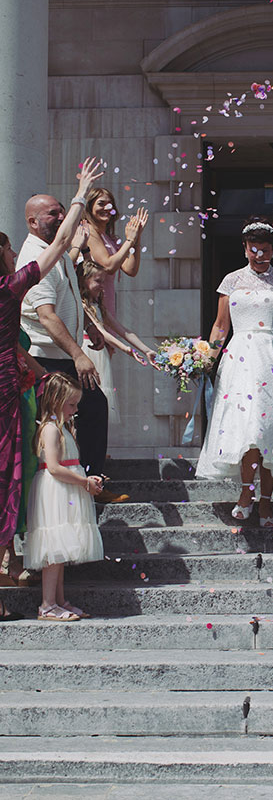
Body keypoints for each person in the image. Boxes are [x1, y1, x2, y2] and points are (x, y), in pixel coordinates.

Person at [0, 157, 101, 621]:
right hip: (9, 389)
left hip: (15, 381)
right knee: (13, 471)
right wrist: (81, 192)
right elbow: (60, 243)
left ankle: (15, 566)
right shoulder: (12, 287)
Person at [196, 217, 273, 527]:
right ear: (245, 248)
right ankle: (245, 494)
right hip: (240, 359)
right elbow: (221, 325)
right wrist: (206, 360)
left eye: (266, 250)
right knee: (246, 429)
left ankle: (265, 502)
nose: (260, 255)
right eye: (254, 249)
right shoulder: (231, 281)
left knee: (268, 430)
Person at [17, 188, 112, 489]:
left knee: (93, 409)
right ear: (32, 222)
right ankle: (70, 485)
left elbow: (70, 297)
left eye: (62, 211)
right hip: (45, 358)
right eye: (52, 214)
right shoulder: (34, 256)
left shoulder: (56, 251)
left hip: (63, 354)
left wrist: (90, 328)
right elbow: (46, 316)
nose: (60, 218)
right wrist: (79, 354)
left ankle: (93, 480)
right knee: (55, 427)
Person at [23, 373, 104, 621]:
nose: (75, 409)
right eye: (72, 404)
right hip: (55, 490)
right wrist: (84, 482)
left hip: (66, 490)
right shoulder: (49, 429)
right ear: (56, 400)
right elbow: (55, 467)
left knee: (61, 548)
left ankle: (59, 600)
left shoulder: (62, 427)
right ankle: (47, 604)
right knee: (54, 548)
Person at [77, 258, 159, 427]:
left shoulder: (98, 305)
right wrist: (126, 350)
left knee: (101, 402)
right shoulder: (82, 305)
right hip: (87, 351)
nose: (102, 286)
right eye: (98, 281)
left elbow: (123, 330)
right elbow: (102, 332)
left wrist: (146, 350)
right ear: (84, 280)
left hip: (100, 355)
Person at [84, 188, 148, 317]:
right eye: (101, 204)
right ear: (90, 206)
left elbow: (131, 269)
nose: (106, 208)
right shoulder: (88, 231)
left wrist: (136, 237)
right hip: (92, 302)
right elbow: (108, 266)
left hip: (107, 300)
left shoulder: (109, 238)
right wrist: (130, 239)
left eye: (110, 204)